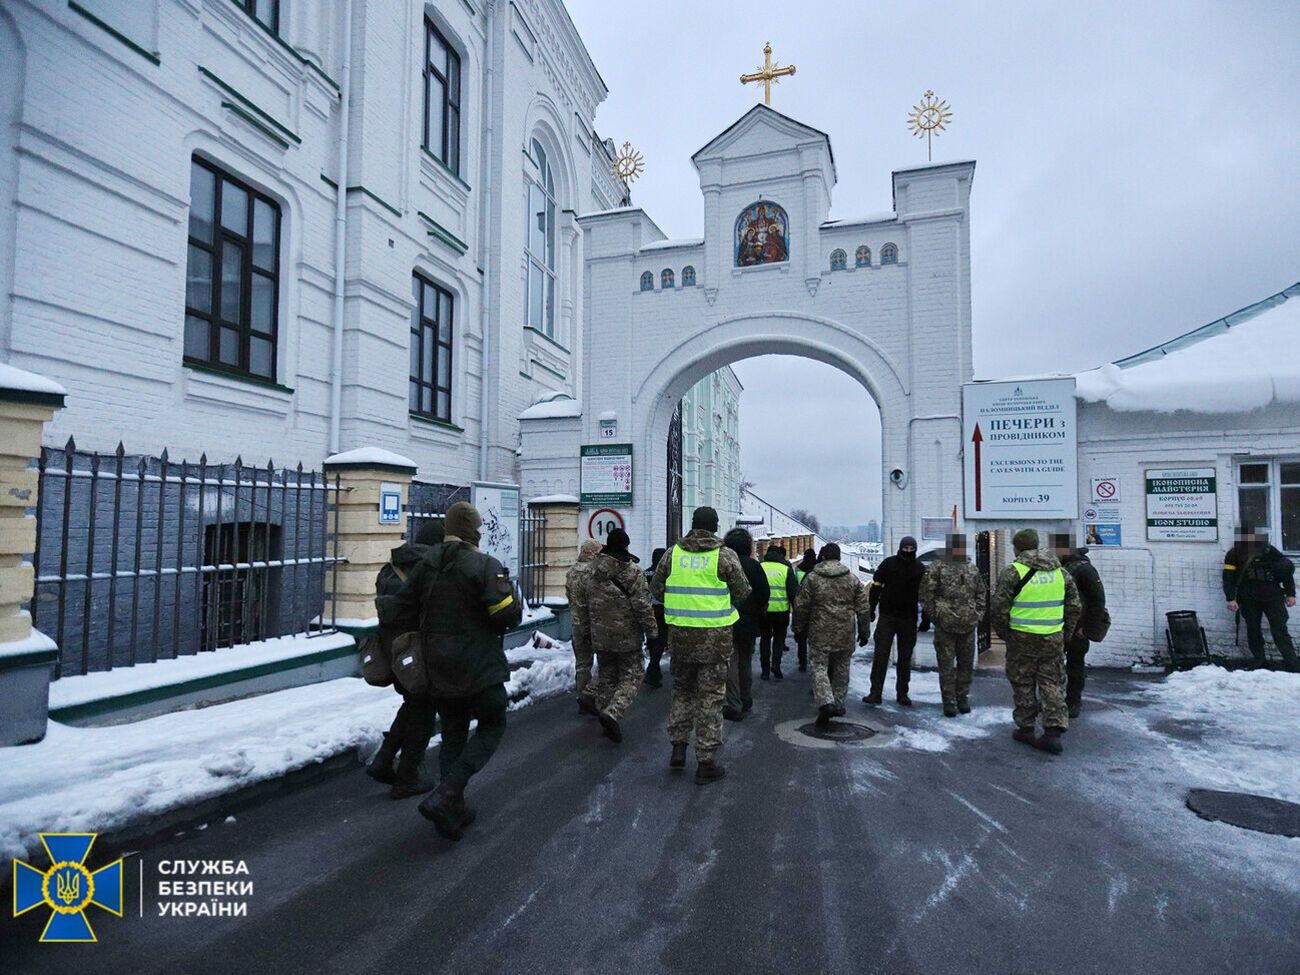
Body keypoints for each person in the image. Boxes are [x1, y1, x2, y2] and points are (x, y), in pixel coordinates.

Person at [389, 501, 523, 840]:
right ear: (474, 531)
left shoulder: (425, 566)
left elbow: (402, 608)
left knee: (453, 733)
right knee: (493, 724)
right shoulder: (483, 565)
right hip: (479, 667)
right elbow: (505, 615)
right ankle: (449, 790)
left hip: (438, 667)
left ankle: (453, 809)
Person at [650, 507, 751, 785]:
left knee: (682, 691)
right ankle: (706, 761)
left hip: (681, 638)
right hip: (715, 641)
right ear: (715, 526)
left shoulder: (673, 554)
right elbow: (742, 592)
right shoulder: (725, 555)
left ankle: (679, 747)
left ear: (692, 525)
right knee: (710, 698)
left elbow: (656, 589)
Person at [369, 520, 444, 798]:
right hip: (418, 651)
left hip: (393, 652)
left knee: (412, 704)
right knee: (423, 710)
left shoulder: (390, 568)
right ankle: (408, 776)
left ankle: (384, 759)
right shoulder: (427, 570)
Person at [991, 528, 1081, 755]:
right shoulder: (1060, 572)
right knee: (1052, 682)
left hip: (1022, 638)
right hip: (1052, 637)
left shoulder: (1013, 571)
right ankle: (1053, 732)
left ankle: (1026, 727)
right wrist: (1065, 634)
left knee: (1023, 682)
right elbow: (1074, 606)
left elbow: (999, 608)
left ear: (1017, 547)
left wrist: (1006, 635)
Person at [575, 528, 657, 743]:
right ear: (626, 547)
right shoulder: (632, 572)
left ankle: (605, 713)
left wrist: (586, 631)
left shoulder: (590, 571)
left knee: (607, 676)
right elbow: (643, 607)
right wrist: (652, 633)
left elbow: (582, 604)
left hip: (600, 636)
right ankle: (613, 713)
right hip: (627, 636)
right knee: (634, 674)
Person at [793, 542, 871, 726]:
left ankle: (825, 701)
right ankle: (839, 704)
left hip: (820, 631)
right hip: (845, 631)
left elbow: (801, 606)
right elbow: (863, 607)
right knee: (842, 667)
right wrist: (864, 631)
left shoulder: (813, 578)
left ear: (823, 557)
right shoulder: (851, 579)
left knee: (819, 667)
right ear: (839, 557)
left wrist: (798, 627)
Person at [917, 533, 987, 718]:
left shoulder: (972, 569)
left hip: (968, 625)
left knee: (965, 665)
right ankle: (949, 701)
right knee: (946, 666)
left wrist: (977, 615)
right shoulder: (937, 568)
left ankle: (962, 698)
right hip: (945, 626)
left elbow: (981, 594)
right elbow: (926, 595)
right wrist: (936, 616)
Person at [1223, 525, 1298, 671]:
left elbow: (1286, 572)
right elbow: (1228, 578)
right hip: (1249, 598)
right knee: (1253, 630)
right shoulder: (1234, 554)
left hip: (1273, 597)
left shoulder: (1269, 551)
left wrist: (1290, 594)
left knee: (1280, 630)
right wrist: (1231, 598)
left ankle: (1292, 663)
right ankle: (1259, 661)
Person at [864, 536, 927, 706]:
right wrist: (871, 609)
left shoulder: (920, 569)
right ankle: (875, 693)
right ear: (900, 548)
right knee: (881, 656)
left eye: (910, 548)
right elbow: (876, 587)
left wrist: (926, 618)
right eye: (905, 548)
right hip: (887, 616)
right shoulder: (888, 564)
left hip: (908, 618)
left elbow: (926, 596)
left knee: (905, 658)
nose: (907, 551)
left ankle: (902, 693)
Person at [1054, 534, 1107, 717]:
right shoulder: (1062, 568)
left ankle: (1073, 701)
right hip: (1061, 626)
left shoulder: (1084, 569)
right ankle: (1057, 701)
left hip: (1078, 628)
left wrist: (1087, 629)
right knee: (1056, 665)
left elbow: (1098, 600)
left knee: (1075, 666)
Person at [722, 527, 770, 721]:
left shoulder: (723, 564)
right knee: (745, 661)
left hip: (727, 619)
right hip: (749, 621)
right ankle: (746, 698)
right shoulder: (754, 566)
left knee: (731, 661)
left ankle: (733, 703)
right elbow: (764, 594)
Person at [567, 539, 602, 713]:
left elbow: (569, 596)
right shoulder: (593, 572)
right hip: (593, 623)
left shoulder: (572, 571)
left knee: (582, 664)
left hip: (576, 623)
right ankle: (591, 695)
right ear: (593, 553)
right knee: (606, 661)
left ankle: (582, 697)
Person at [759, 545, 798, 680]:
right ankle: (776, 665)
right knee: (779, 639)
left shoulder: (761, 567)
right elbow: (793, 593)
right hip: (781, 611)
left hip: (763, 611)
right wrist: (797, 613)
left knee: (765, 639)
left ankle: (765, 670)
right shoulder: (786, 569)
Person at [644, 547, 669, 687]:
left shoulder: (645, 572)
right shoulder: (666, 574)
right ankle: (653, 669)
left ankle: (655, 671)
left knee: (653, 640)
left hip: (648, 609)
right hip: (662, 609)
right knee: (661, 640)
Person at [793, 548, 817, 672]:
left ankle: (802, 662)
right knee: (815, 639)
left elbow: (794, 586)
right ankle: (814, 661)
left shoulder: (798, 569)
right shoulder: (817, 570)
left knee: (801, 637)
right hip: (815, 610)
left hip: (801, 606)